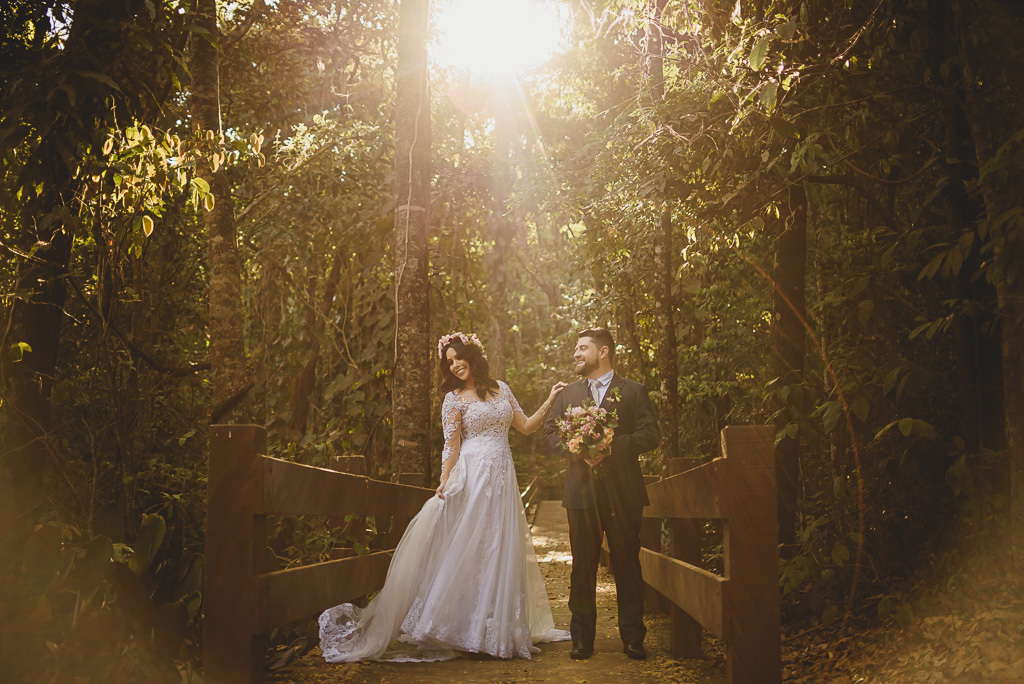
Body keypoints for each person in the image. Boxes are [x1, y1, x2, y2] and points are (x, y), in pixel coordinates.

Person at [319, 332, 570, 662]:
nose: (454, 365)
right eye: (449, 362)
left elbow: (524, 427)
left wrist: (550, 399)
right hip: (473, 474)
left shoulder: (502, 389)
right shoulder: (453, 399)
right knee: (468, 543)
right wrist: (444, 481)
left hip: (502, 476)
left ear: (473, 356)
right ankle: (454, 625)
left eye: (458, 358)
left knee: (497, 544)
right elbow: (451, 445)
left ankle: (492, 627)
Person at [542, 328, 660, 661]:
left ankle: (634, 638)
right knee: (582, 568)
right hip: (581, 495)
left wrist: (610, 446)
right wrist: (577, 446)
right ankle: (582, 639)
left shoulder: (634, 391)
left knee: (627, 565)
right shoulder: (567, 395)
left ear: (603, 351)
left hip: (624, 495)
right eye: (575, 349)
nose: (576, 354)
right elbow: (549, 437)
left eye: (582, 348)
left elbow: (651, 435)